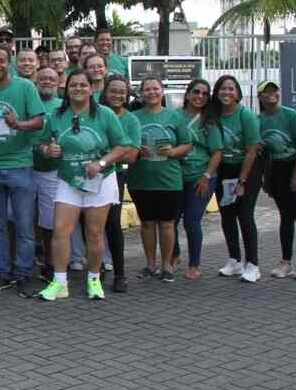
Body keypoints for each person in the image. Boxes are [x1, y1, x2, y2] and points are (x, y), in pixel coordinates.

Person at [35, 70, 134, 301]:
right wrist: (48, 150)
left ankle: (94, 279)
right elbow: (40, 143)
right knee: (60, 231)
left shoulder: (105, 115)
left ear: (91, 89)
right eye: (73, 86)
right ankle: (60, 283)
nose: (78, 89)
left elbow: (122, 146)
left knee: (94, 232)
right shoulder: (56, 116)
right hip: (68, 180)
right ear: (66, 89)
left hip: (100, 180)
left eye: (82, 85)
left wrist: (101, 163)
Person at [0, 44, 45, 296]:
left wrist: (19, 124)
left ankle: (24, 274)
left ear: (9, 62)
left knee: (24, 225)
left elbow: (39, 121)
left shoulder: (25, 87)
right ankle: (2, 272)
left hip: (20, 166)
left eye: (1, 61)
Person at [127, 77, 192, 282]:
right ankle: (150, 264)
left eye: (155, 89)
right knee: (146, 224)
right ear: (141, 93)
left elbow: (187, 144)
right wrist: (136, 152)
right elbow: (125, 145)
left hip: (169, 180)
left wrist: (173, 152)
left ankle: (167, 265)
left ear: (162, 92)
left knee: (167, 224)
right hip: (140, 179)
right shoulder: (133, 117)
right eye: (147, 89)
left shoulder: (174, 117)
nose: (151, 92)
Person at [258, 81, 296, 280]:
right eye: (266, 92)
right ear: (260, 97)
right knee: (285, 216)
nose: (271, 94)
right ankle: (285, 262)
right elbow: (264, 154)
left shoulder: (290, 115)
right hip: (279, 169)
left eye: (273, 91)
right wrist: (267, 179)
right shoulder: (259, 120)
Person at [209, 75, 263, 283]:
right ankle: (235, 261)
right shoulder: (214, 115)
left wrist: (241, 182)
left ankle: (253, 264)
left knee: (245, 215)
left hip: (247, 171)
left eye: (231, 89)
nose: (226, 93)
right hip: (224, 171)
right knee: (227, 215)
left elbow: (251, 151)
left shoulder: (246, 115)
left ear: (238, 93)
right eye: (223, 89)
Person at [175, 78, 223, 281]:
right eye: (196, 92)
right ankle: (173, 255)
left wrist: (206, 176)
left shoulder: (209, 122)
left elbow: (217, 152)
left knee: (192, 221)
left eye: (205, 94)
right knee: (171, 219)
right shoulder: (175, 116)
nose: (200, 97)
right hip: (175, 177)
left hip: (200, 177)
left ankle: (194, 264)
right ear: (187, 94)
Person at [101, 74, 141, 292]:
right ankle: (95, 271)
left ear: (127, 95)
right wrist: (117, 151)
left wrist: (103, 157)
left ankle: (119, 274)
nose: (117, 95)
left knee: (112, 224)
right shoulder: (95, 113)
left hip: (113, 176)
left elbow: (131, 155)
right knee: (91, 226)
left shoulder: (131, 120)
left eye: (121, 91)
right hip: (90, 176)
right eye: (113, 90)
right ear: (105, 92)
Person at [31, 66, 62, 280]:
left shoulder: (63, 106)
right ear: (35, 81)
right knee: (19, 218)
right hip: (24, 166)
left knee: (49, 221)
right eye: (43, 78)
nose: (47, 82)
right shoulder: (28, 101)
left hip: (50, 171)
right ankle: (20, 262)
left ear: (58, 81)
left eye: (51, 78)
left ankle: (50, 263)